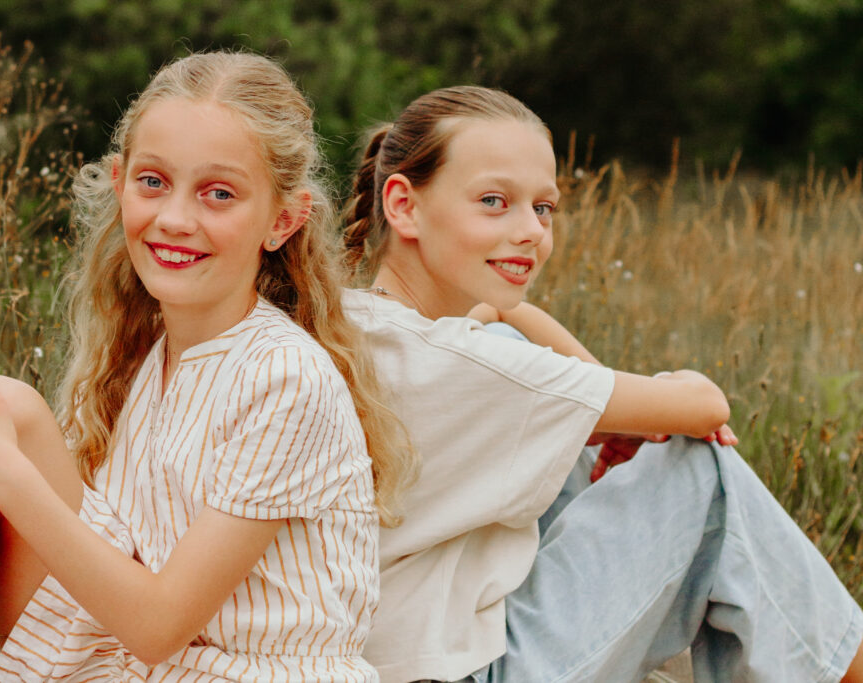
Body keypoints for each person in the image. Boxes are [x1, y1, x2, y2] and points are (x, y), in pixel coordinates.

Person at [0, 51, 414, 682]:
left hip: (232, 672)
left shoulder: (287, 376)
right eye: (153, 182)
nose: (175, 219)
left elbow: (158, 627)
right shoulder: (145, 352)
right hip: (135, 662)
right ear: (120, 182)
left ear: (282, 221)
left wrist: (7, 477)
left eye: (219, 193)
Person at [341, 85, 863, 682]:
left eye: (543, 208)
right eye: (493, 201)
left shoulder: (358, 325)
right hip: (460, 672)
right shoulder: (468, 367)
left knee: (517, 354)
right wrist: (665, 396)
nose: (530, 230)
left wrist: (526, 328)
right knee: (696, 469)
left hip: (403, 654)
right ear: (403, 204)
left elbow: (489, 336)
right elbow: (702, 408)